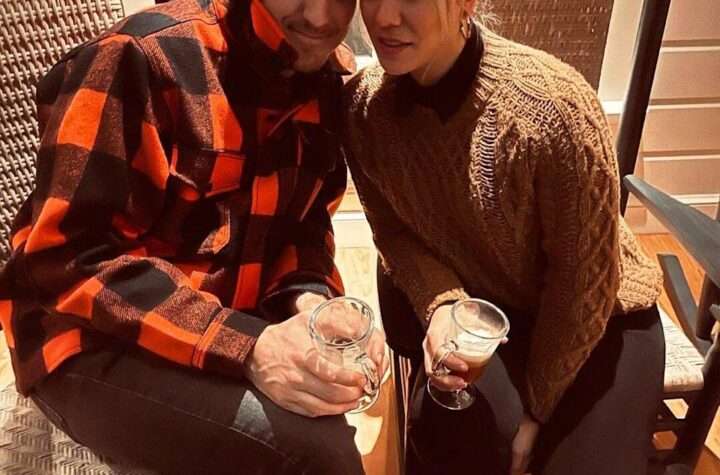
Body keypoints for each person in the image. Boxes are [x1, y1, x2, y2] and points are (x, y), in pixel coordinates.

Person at [0, 0, 387, 473]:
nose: (321, 18)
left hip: (223, 315)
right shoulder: (138, 57)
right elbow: (68, 262)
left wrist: (308, 300)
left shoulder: (323, 79)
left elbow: (303, 225)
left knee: (325, 394)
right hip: (85, 339)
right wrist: (249, 347)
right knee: (318, 454)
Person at [343, 0, 665, 473]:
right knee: (447, 436)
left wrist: (535, 411)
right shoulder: (362, 109)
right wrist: (443, 304)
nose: (385, 18)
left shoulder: (554, 108)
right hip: (486, 312)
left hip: (599, 319)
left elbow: (582, 282)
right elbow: (393, 234)